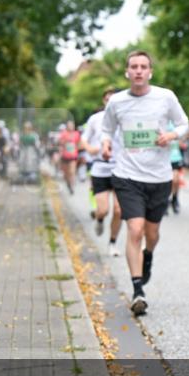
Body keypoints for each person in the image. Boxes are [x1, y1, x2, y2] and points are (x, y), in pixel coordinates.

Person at [101, 50, 189, 317]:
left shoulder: (165, 97)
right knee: (135, 229)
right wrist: (105, 144)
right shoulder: (116, 102)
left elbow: (184, 124)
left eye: (143, 67)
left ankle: (148, 255)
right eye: (134, 67)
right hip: (127, 175)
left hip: (159, 177)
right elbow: (107, 129)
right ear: (127, 72)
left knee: (151, 234)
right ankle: (138, 289)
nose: (138, 71)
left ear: (150, 72)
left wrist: (171, 136)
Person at [83, 87, 123, 257]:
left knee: (119, 210)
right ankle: (99, 219)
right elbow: (83, 139)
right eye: (107, 99)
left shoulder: (125, 118)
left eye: (113, 99)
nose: (110, 102)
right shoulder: (95, 119)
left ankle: (112, 243)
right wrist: (90, 149)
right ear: (103, 101)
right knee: (103, 210)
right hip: (100, 168)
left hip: (120, 169)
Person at [167, 120, 185, 214]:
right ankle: (165, 201)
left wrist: (181, 141)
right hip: (164, 157)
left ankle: (174, 198)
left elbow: (184, 132)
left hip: (176, 157)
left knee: (175, 180)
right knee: (167, 181)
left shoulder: (176, 121)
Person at [58, 120, 80, 194]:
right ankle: (68, 184)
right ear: (67, 126)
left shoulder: (76, 134)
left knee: (72, 172)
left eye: (72, 125)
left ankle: (72, 186)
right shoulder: (63, 134)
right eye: (69, 125)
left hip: (73, 156)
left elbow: (79, 143)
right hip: (65, 156)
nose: (71, 127)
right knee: (66, 174)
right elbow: (60, 143)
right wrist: (65, 143)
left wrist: (77, 149)